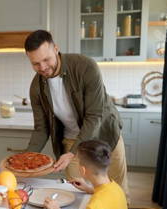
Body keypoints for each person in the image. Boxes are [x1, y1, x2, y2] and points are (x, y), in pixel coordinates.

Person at [24, 30, 128, 197]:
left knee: (116, 191)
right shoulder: (36, 87)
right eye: (35, 63)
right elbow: (41, 128)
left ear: (56, 49)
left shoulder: (85, 66)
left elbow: (94, 115)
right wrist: (26, 158)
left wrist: (73, 152)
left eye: (46, 59)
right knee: (76, 192)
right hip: (71, 140)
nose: (42, 67)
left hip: (105, 134)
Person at [44, 140, 132, 209]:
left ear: (82, 170)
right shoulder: (113, 186)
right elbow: (107, 199)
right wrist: (89, 189)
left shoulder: (101, 198)